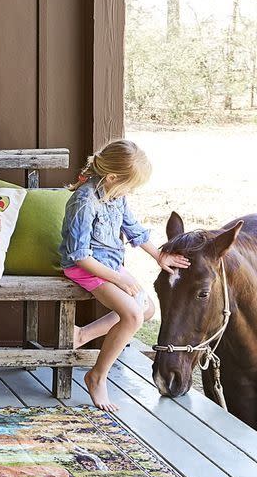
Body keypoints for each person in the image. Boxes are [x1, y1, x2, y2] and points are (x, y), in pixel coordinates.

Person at [60, 139, 188, 412]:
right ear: (112, 177)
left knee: (147, 309)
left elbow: (134, 230)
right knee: (132, 315)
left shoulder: (115, 195)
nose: (131, 191)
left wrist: (159, 256)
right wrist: (119, 279)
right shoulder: (83, 202)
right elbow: (79, 255)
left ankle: (83, 335)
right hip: (85, 267)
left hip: (109, 264)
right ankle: (97, 376)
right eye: (130, 185)